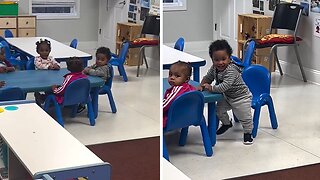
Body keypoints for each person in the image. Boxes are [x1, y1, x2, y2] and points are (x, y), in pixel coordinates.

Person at [197, 39, 253, 145]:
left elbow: (224, 86)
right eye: (216, 60)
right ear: (212, 59)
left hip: (241, 97)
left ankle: (248, 133)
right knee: (219, 111)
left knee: (245, 117)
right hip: (227, 97)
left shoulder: (231, 70)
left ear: (229, 58)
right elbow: (208, 77)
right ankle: (227, 123)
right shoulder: (214, 68)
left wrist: (211, 88)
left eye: (223, 59)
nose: (220, 62)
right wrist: (201, 85)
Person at [77, 47, 112, 113]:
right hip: (93, 82)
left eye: (102, 59)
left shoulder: (105, 68)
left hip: (100, 86)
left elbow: (97, 73)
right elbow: (91, 67)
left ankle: (82, 105)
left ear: (107, 60)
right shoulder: (97, 65)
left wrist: (89, 71)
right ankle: (79, 102)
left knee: (86, 91)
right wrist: (86, 69)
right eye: (98, 59)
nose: (99, 61)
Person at [163, 61, 195, 128]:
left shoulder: (177, 89)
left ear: (187, 79)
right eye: (170, 75)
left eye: (177, 76)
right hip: (189, 116)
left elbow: (166, 105)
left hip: (175, 118)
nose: (172, 78)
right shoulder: (190, 88)